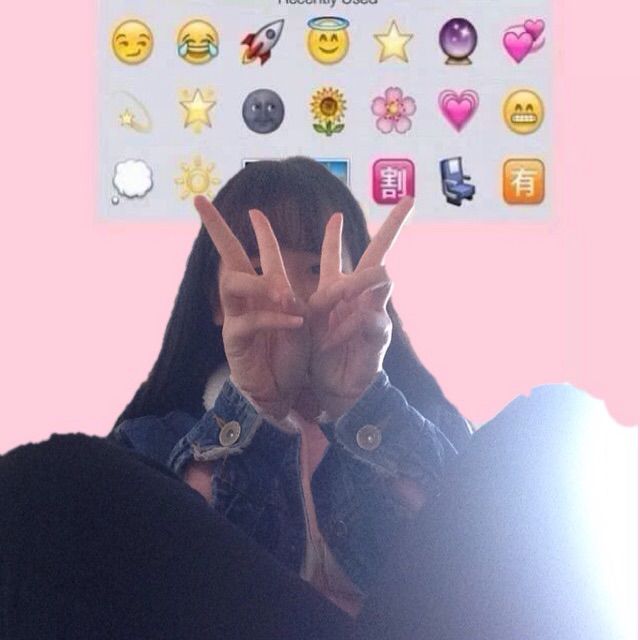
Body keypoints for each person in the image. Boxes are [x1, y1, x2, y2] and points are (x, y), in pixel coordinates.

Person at [108, 157, 472, 615]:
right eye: (260, 271)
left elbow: (485, 569)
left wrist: (359, 402)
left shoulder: (434, 432)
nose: (292, 297)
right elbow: (139, 592)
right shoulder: (147, 446)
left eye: (317, 269)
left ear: (362, 286)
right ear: (215, 302)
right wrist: (255, 406)